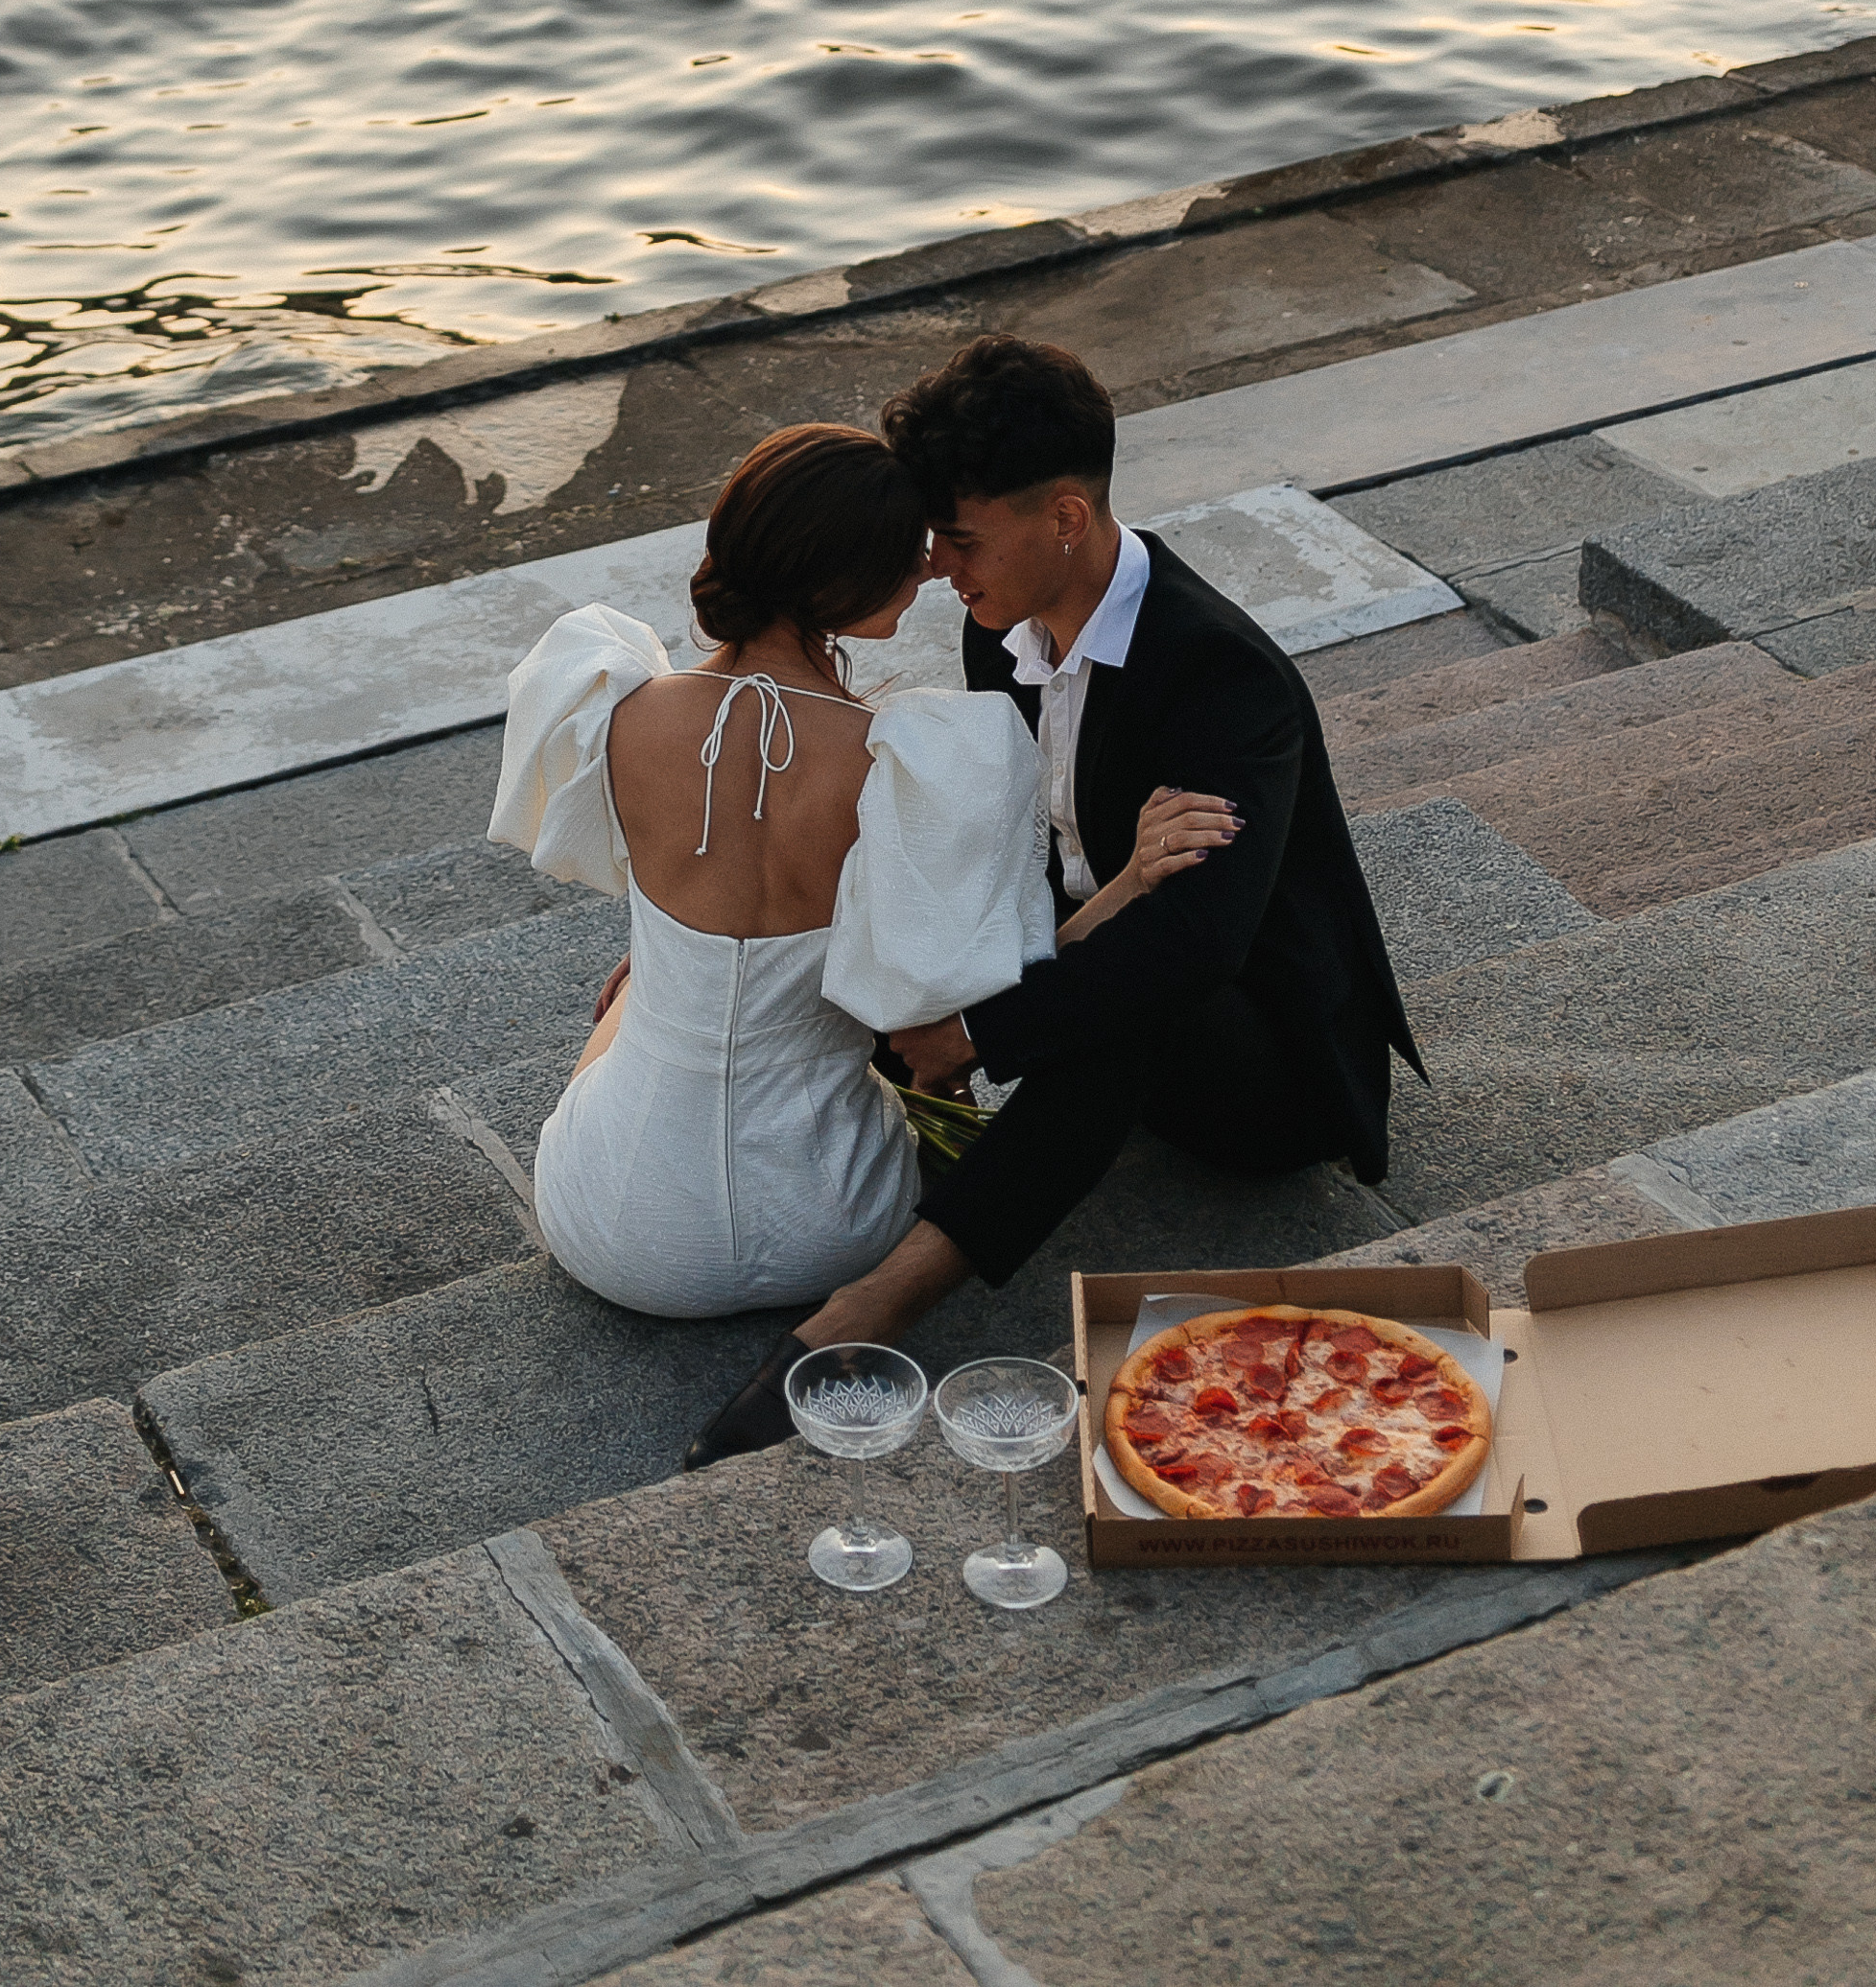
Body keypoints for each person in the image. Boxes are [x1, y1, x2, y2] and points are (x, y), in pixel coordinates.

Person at [683, 333, 1421, 1463]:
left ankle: (875, 1307)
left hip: (1266, 1073)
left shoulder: (1217, 672)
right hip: (1072, 966)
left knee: (1136, 1003)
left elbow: (1195, 946)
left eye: (959, 540)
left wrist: (975, 1031)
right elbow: (1010, 860)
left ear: (1064, 518)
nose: (933, 568)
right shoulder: (1006, 637)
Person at [490, 421, 1190, 1321]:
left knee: (638, 997)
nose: (932, 569)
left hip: (617, 1234)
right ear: (835, 579)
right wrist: (1129, 880)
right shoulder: (906, 763)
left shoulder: (609, 706)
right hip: (831, 1223)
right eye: (908, 555)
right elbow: (966, 1001)